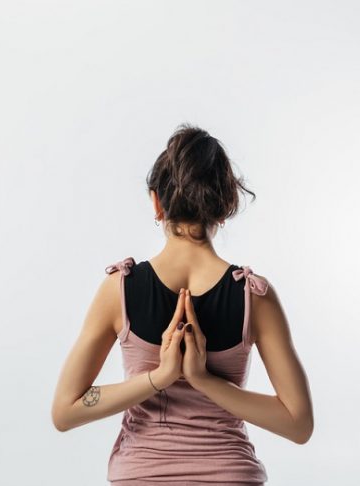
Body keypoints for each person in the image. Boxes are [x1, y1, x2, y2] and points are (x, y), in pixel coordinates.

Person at [51, 123, 314, 485]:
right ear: (226, 205)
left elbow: (66, 410)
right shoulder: (255, 297)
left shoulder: (120, 290)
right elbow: (298, 424)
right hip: (230, 476)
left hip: (140, 475)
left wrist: (159, 378)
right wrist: (204, 381)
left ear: (157, 203)